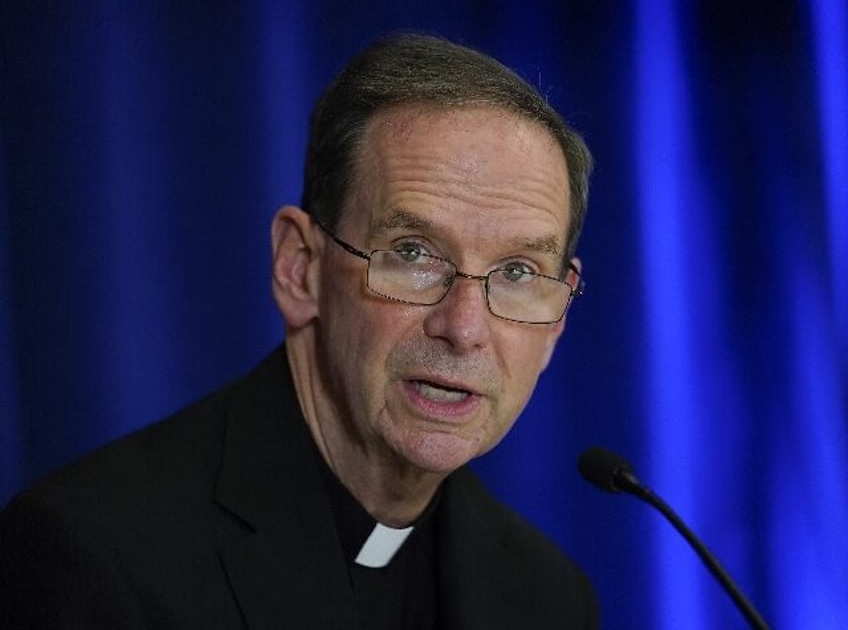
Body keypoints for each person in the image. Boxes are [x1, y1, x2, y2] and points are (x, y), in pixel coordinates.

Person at [0, 33, 598, 628]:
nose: (464, 328)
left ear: (558, 317)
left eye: (518, 271)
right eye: (414, 253)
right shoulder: (94, 556)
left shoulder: (547, 595)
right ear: (300, 268)